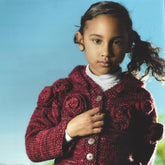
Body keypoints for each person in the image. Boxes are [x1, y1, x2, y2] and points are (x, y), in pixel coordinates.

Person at [25, 1, 165, 165]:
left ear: (129, 43)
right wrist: (69, 130)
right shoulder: (61, 92)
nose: (106, 52)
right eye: (97, 41)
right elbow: (32, 148)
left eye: (116, 42)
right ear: (80, 40)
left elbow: (144, 157)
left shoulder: (140, 99)